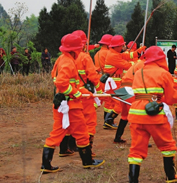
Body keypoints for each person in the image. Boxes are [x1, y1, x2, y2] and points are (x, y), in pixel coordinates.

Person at [41, 33, 105, 174]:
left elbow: (62, 80)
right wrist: (76, 94)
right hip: (71, 106)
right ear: (75, 49)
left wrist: (84, 92)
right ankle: (87, 161)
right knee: (82, 132)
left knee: (57, 133)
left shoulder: (61, 59)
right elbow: (62, 83)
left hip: (61, 104)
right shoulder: (69, 62)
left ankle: (46, 163)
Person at [127, 46, 177, 183]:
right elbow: (171, 99)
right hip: (154, 116)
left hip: (136, 114)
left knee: (136, 150)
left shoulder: (139, 72)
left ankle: (133, 180)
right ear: (160, 59)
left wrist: (157, 98)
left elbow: (143, 94)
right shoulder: (164, 74)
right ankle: (171, 176)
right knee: (168, 146)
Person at [103, 35, 133, 129]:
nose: (122, 47)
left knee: (122, 101)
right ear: (115, 46)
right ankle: (108, 120)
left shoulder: (114, 53)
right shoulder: (113, 55)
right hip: (113, 83)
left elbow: (125, 56)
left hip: (115, 83)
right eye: (121, 46)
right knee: (120, 103)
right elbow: (127, 65)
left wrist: (138, 53)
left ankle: (109, 120)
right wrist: (136, 64)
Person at [94, 34, 113, 128]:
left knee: (97, 99)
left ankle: (85, 115)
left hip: (98, 77)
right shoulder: (108, 53)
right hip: (105, 78)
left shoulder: (97, 53)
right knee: (109, 100)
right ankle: (107, 121)